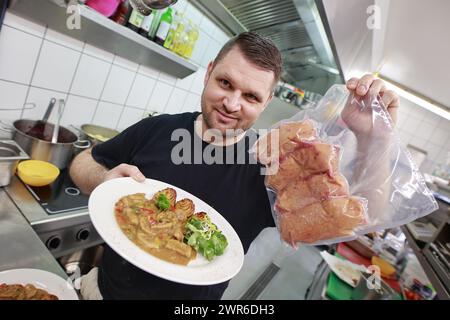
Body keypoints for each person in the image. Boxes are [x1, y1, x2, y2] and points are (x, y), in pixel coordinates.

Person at [70, 32, 400, 300]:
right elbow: (82, 163)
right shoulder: (157, 128)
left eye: (251, 96)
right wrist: (104, 179)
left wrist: (378, 139)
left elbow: (365, 217)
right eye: (225, 83)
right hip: (100, 293)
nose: (232, 104)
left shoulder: (270, 164)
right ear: (209, 71)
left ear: (266, 102)